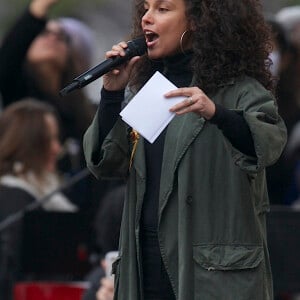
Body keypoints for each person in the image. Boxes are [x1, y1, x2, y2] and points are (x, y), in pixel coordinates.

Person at [83, 0, 287, 299]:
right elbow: (106, 162)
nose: (147, 19)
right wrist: (111, 94)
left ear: (199, 21)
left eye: (162, 9)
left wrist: (217, 113)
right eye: (146, 8)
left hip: (213, 274)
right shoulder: (152, 90)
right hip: (145, 266)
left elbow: (269, 145)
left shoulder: (240, 90)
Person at [0, 99, 77, 300]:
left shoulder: (48, 190)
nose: (56, 148)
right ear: (28, 144)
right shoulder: (14, 196)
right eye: (48, 140)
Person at [0, 0, 95, 142]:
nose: (53, 37)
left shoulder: (85, 111)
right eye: (44, 32)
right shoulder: (15, 89)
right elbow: (10, 50)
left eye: (62, 37)